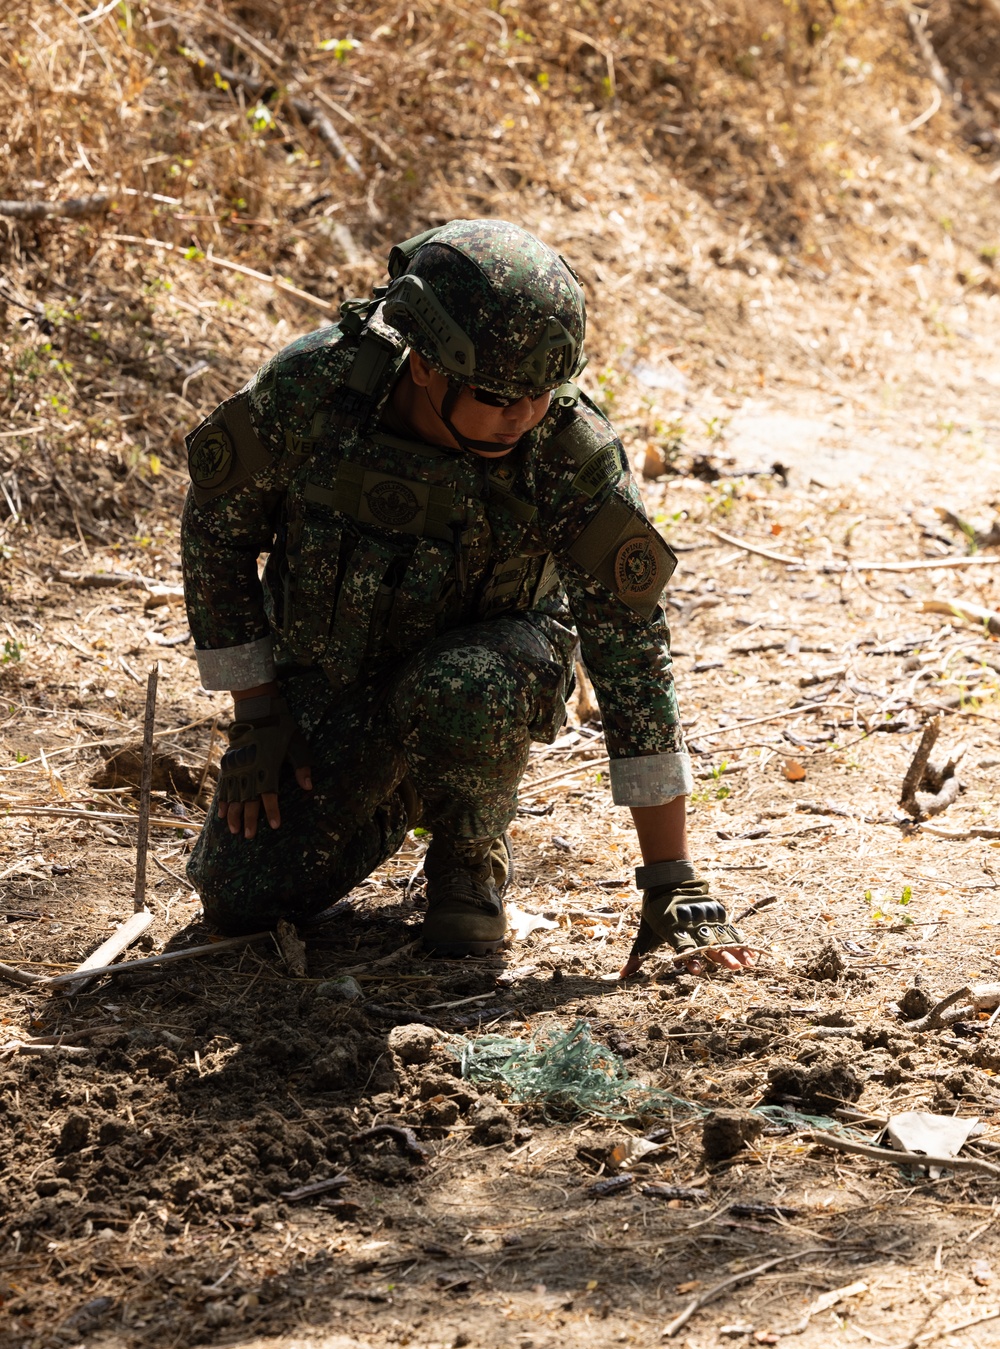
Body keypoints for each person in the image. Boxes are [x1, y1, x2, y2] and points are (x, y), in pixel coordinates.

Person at [181, 218, 753, 978]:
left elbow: (631, 656)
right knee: (239, 895)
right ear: (424, 363)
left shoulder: (566, 449)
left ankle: (470, 855)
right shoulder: (317, 391)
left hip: (483, 680)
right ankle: (401, 780)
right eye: (495, 395)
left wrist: (670, 876)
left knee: (463, 686)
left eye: (541, 393)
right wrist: (256, 714)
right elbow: (215, 527)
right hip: (334, 687)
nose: (522, 415)